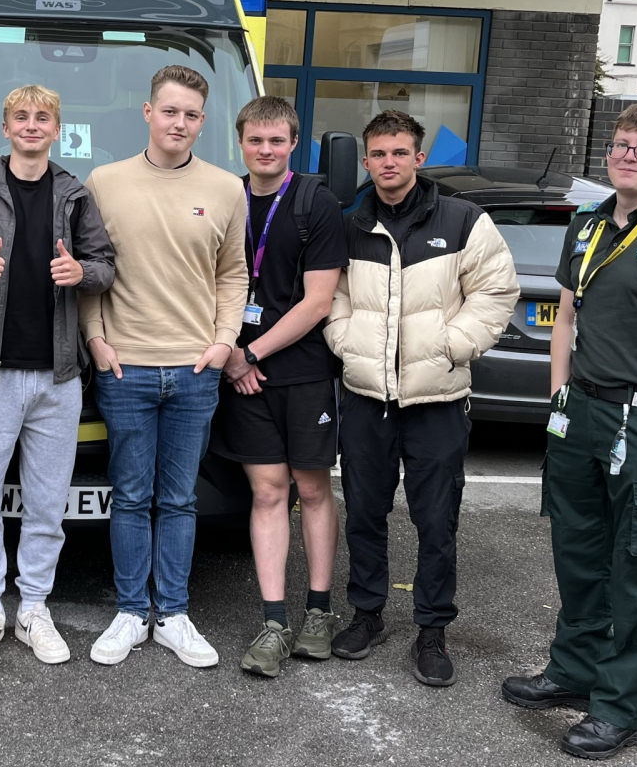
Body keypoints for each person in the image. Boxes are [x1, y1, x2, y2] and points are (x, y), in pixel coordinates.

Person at [503, 102, 637, 759]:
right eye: (620, 144)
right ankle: (575, 672)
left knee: (636, 572)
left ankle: (620, 707)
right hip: (581, 412)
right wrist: (559, 391)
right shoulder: (586, 225)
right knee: (579, 555)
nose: (629, 154)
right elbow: (565, 317)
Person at [326, 110, 518, 687]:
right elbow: (331, 294)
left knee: (437, 521)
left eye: (399, 153)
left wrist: (452, 348)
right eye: (379, 154)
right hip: (366, 397)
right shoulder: (348, 222)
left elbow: (496, 291)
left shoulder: (463, 220)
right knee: (363, 512)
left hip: (437, 399)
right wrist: (345, 341)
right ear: (367, 161)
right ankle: (367, 615)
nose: (389, 163)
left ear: (419, 158)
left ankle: (432, 630)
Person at [0, 85, 115, 669]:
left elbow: (107, 268)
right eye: (21, 117)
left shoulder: (75, 195)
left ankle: (34, 607)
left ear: (57, 129)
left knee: (45, 505)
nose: (32, 126)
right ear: (5, 127)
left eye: (43, 118)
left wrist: (80, 270)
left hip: (58, 379)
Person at [79, 65, 248, 668]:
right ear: (147, 113)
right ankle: (130, 612)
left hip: (196, 369)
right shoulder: (105, 182)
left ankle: (173, 614)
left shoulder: (228, 188)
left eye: (192, 115)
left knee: (177, 499)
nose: (180, 123)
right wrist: (96, 338)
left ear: (204, 122)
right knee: (129, 496)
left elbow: (233, 275)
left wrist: (224, 343)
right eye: (170, 111)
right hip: (125, 368)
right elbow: (92, 269)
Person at [209, 97, 348, 679]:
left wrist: (250, 354)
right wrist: (231, 362)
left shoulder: (316, 202)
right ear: (239, 142)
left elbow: (318, 301)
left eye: (277, 141)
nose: (265, 150)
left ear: (293, 144)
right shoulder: (222, 197)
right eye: (255, 140)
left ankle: (318, 611)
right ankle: (274, 619)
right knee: (267, 492)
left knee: (312, 491)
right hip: (242, 378)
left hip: (301, 370)